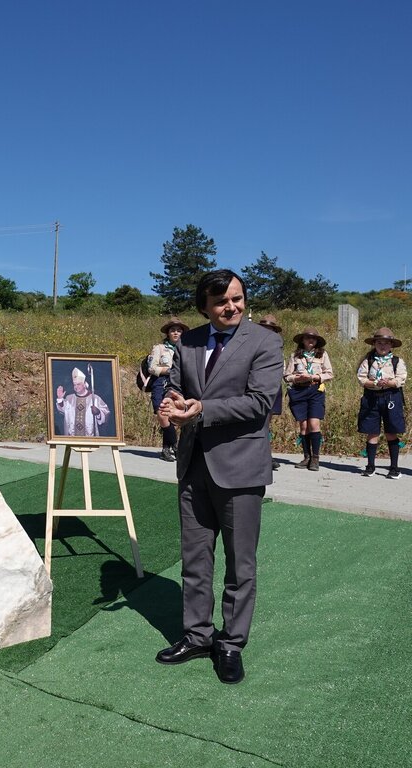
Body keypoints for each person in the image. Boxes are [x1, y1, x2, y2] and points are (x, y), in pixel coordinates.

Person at [157, 269, 283, 684]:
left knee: (240, 563)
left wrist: (202, 410)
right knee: (195, 558)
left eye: (237, 298)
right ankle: (197, 635)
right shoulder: (188, 341)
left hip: (241, 466)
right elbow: (176, 386)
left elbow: (260, 401)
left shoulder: (265, 341)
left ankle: (231, 643)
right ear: (205, 307)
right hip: (194, 464)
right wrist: (172, 404)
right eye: (221, 301)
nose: (232, 307)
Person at [356, 327, 406, 479]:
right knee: (372, 431)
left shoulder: (397, 361)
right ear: (374, 344)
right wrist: (373, 383)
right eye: (379, 343)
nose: (382, 346)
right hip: (372, 397)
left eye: (386, 343)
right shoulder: (368, 360)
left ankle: (394, 468)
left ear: (391, 345)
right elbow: (361, 377)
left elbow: (401, 378)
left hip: (391, 396)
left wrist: (389, 382)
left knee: (391, 431)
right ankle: (370, 466)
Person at [284, 327, 333, 471]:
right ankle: (307, 457)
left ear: (317, 341)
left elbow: (329, 373)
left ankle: (315, 458)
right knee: (304, 425)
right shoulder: (295, 356)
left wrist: (315, 377)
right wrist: (296, 378)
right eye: (307, 338)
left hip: (315, 390)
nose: (310, 340)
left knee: (314, 423)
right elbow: (287, 376)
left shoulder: (322, 355)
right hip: (299, 391)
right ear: (302, 340)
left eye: (313, 338)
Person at [148, 318, 189, 461]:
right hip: (161, 382)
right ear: (168, 333)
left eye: (179, 330)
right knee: (161, 413)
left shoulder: (187, 349)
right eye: (173, 330)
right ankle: (176, 446)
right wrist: (168, 370)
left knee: (171, 415)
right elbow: (152, 368)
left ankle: (166, 450)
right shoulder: (159, 348)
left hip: (179, 384)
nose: (176, 333)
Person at [256, 315, 285, 470]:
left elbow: (282, 369)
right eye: (264, 329)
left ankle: (265, 455)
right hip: (255, 388)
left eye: (270, 329)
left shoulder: (278, 347)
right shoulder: (252, 345)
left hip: (272, 388)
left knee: (266, 423)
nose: (267, 332)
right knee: (257, 423)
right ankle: (260, 455)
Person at [55, 367, 111, 437]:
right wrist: (60, 399)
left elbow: (106, 413)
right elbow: (62, 410)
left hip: (89, 437)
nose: (76, 387)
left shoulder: (95, 398)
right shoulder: (69, 398)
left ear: (84, 384)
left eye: (78, 384)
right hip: (72, 437)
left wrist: (98, 413)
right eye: (74, 384)